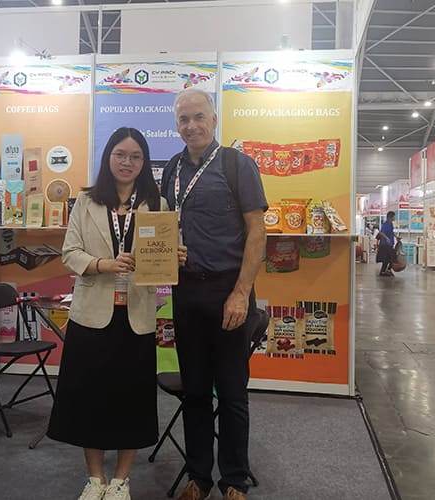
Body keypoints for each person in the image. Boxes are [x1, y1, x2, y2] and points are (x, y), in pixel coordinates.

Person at [47, 127, 187, 500]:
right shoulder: (86, 201)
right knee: (89, 398)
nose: (128, 162)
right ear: (108, 157)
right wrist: (103, 264)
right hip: (92, 315)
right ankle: (95, 479)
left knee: (131, 400)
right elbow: (69, 253)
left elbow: (165, 256)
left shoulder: (157, 204)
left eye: (136, 156)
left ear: (144, 162)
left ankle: (121, 480)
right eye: (120, 155)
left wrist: (175, 256)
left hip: (137, 317)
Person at [162, 88, 267, 500]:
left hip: (229, 291)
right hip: (186, 291)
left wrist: (241, 293)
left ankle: (234, 479)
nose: (191, 126)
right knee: (195, 391)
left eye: (198, 117)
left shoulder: (237, 164)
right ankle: (199, 477)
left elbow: (257, 232)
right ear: (177, 124)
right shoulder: (172, 169)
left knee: (232, 391)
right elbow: (165, 226)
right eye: (183, 119)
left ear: (214, 119)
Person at [378, 210, 396, 276]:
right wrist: (387, 238)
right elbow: (381, 233)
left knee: (390, 258)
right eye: (394, 216)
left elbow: (391, 232)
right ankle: (384, 271)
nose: (394, 218)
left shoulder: (391, 224)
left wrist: (396, 236)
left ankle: (386, 270)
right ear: (390, 217)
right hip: (385, 244)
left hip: (390, 244)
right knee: (389, 258)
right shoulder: (385, 224)